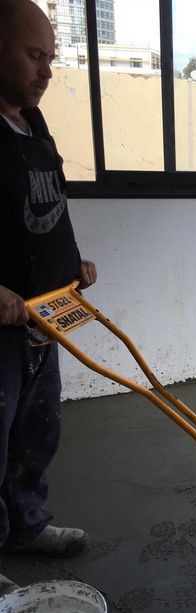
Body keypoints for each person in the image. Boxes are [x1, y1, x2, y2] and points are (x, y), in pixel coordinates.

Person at [0, 0, 97, 556]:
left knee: (36, 431)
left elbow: (49, 207)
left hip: (43, 313)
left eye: (51, 58)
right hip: (2, 324)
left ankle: (26, 526)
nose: (47, 72)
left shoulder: (31, 124)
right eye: (34, 55)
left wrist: (71, 264)